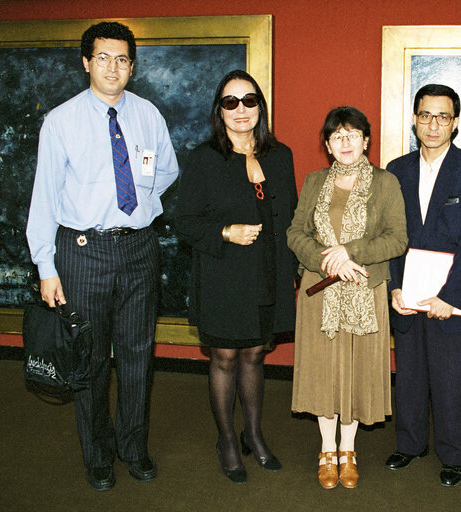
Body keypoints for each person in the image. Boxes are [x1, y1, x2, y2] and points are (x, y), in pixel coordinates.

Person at [25, 22, 179, 491]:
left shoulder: (148, 114)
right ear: (87, 62)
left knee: (137, 356)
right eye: (104, 57)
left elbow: (167, 169)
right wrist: (46, 267)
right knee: (89, 360)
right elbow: (44, 199)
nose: (114, 67)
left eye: (123, 59)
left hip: (137, 249)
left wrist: (142, 204)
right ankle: (97, 456)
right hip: (82, 253)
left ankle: (133, 447)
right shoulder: (61, 121)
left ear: (132, 66)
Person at [174, 70, 298, 484]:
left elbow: (292, 219)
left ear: (259, 106)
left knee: (255, 354)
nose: (241, 109)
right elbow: (184, 222)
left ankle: (254, 434)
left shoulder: (280, 156)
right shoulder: (205, 158)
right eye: (230, 102)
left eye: (249, 101)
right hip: (224, 274)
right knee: (225, 356)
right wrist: (225, 232)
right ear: (219, 110)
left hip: (268, 273)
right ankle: (227, 439)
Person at [288, 106, 407, 489]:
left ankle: (349, 450)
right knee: (325, 373)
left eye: (353, 134)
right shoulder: (313, 181)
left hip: (364, 292)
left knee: (355, 373)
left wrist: (349, 252)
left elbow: (397, 238)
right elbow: (295, 234)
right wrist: (327, 261)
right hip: (319, 295)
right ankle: (327, 451)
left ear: (366, 140)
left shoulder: (386, 183)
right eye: (336, 136)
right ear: (327, 144)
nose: (345, 142)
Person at [385, 84, 461, 487]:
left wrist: (451, 297)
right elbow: (391, 236)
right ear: (414, 119)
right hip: (407, 295)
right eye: (426, 115)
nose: (433, 124)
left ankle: (453, 455)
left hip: (453, 297)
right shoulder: (397, 170)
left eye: (443, 116)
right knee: (409, 375)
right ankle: (410, 444)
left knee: (452, 379)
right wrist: (393, 287)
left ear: (456, 123)